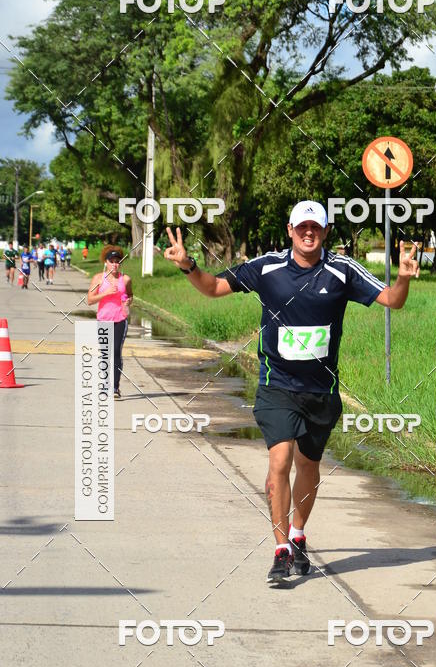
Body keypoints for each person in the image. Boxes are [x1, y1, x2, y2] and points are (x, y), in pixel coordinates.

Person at [163, 200, 419, 586]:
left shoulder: (342, 270)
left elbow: (392, 300)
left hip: (321, 390)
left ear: (326, 231)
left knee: (308, 467)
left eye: (315, 227)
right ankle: (281, 550)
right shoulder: (268, 267)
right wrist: (188, 265)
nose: (308, 233)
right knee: (279, 462)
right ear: (290, 230)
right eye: (302, 227)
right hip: (277, 384)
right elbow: (214, 287)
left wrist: (403, 278)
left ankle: (298, 534)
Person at [86, 246, 133, 398]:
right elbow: (90, 300)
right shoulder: (98, 279)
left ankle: (115, 388)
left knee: (116, 351)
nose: (114, 264)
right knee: (106, 353)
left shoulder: (125, 279)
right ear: (105, 262)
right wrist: (105, 293)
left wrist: (128, 301)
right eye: (111, 261)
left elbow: (130, 295)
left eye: (117, 261)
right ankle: (105, 385)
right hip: (103, 319)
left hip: (120, 319)